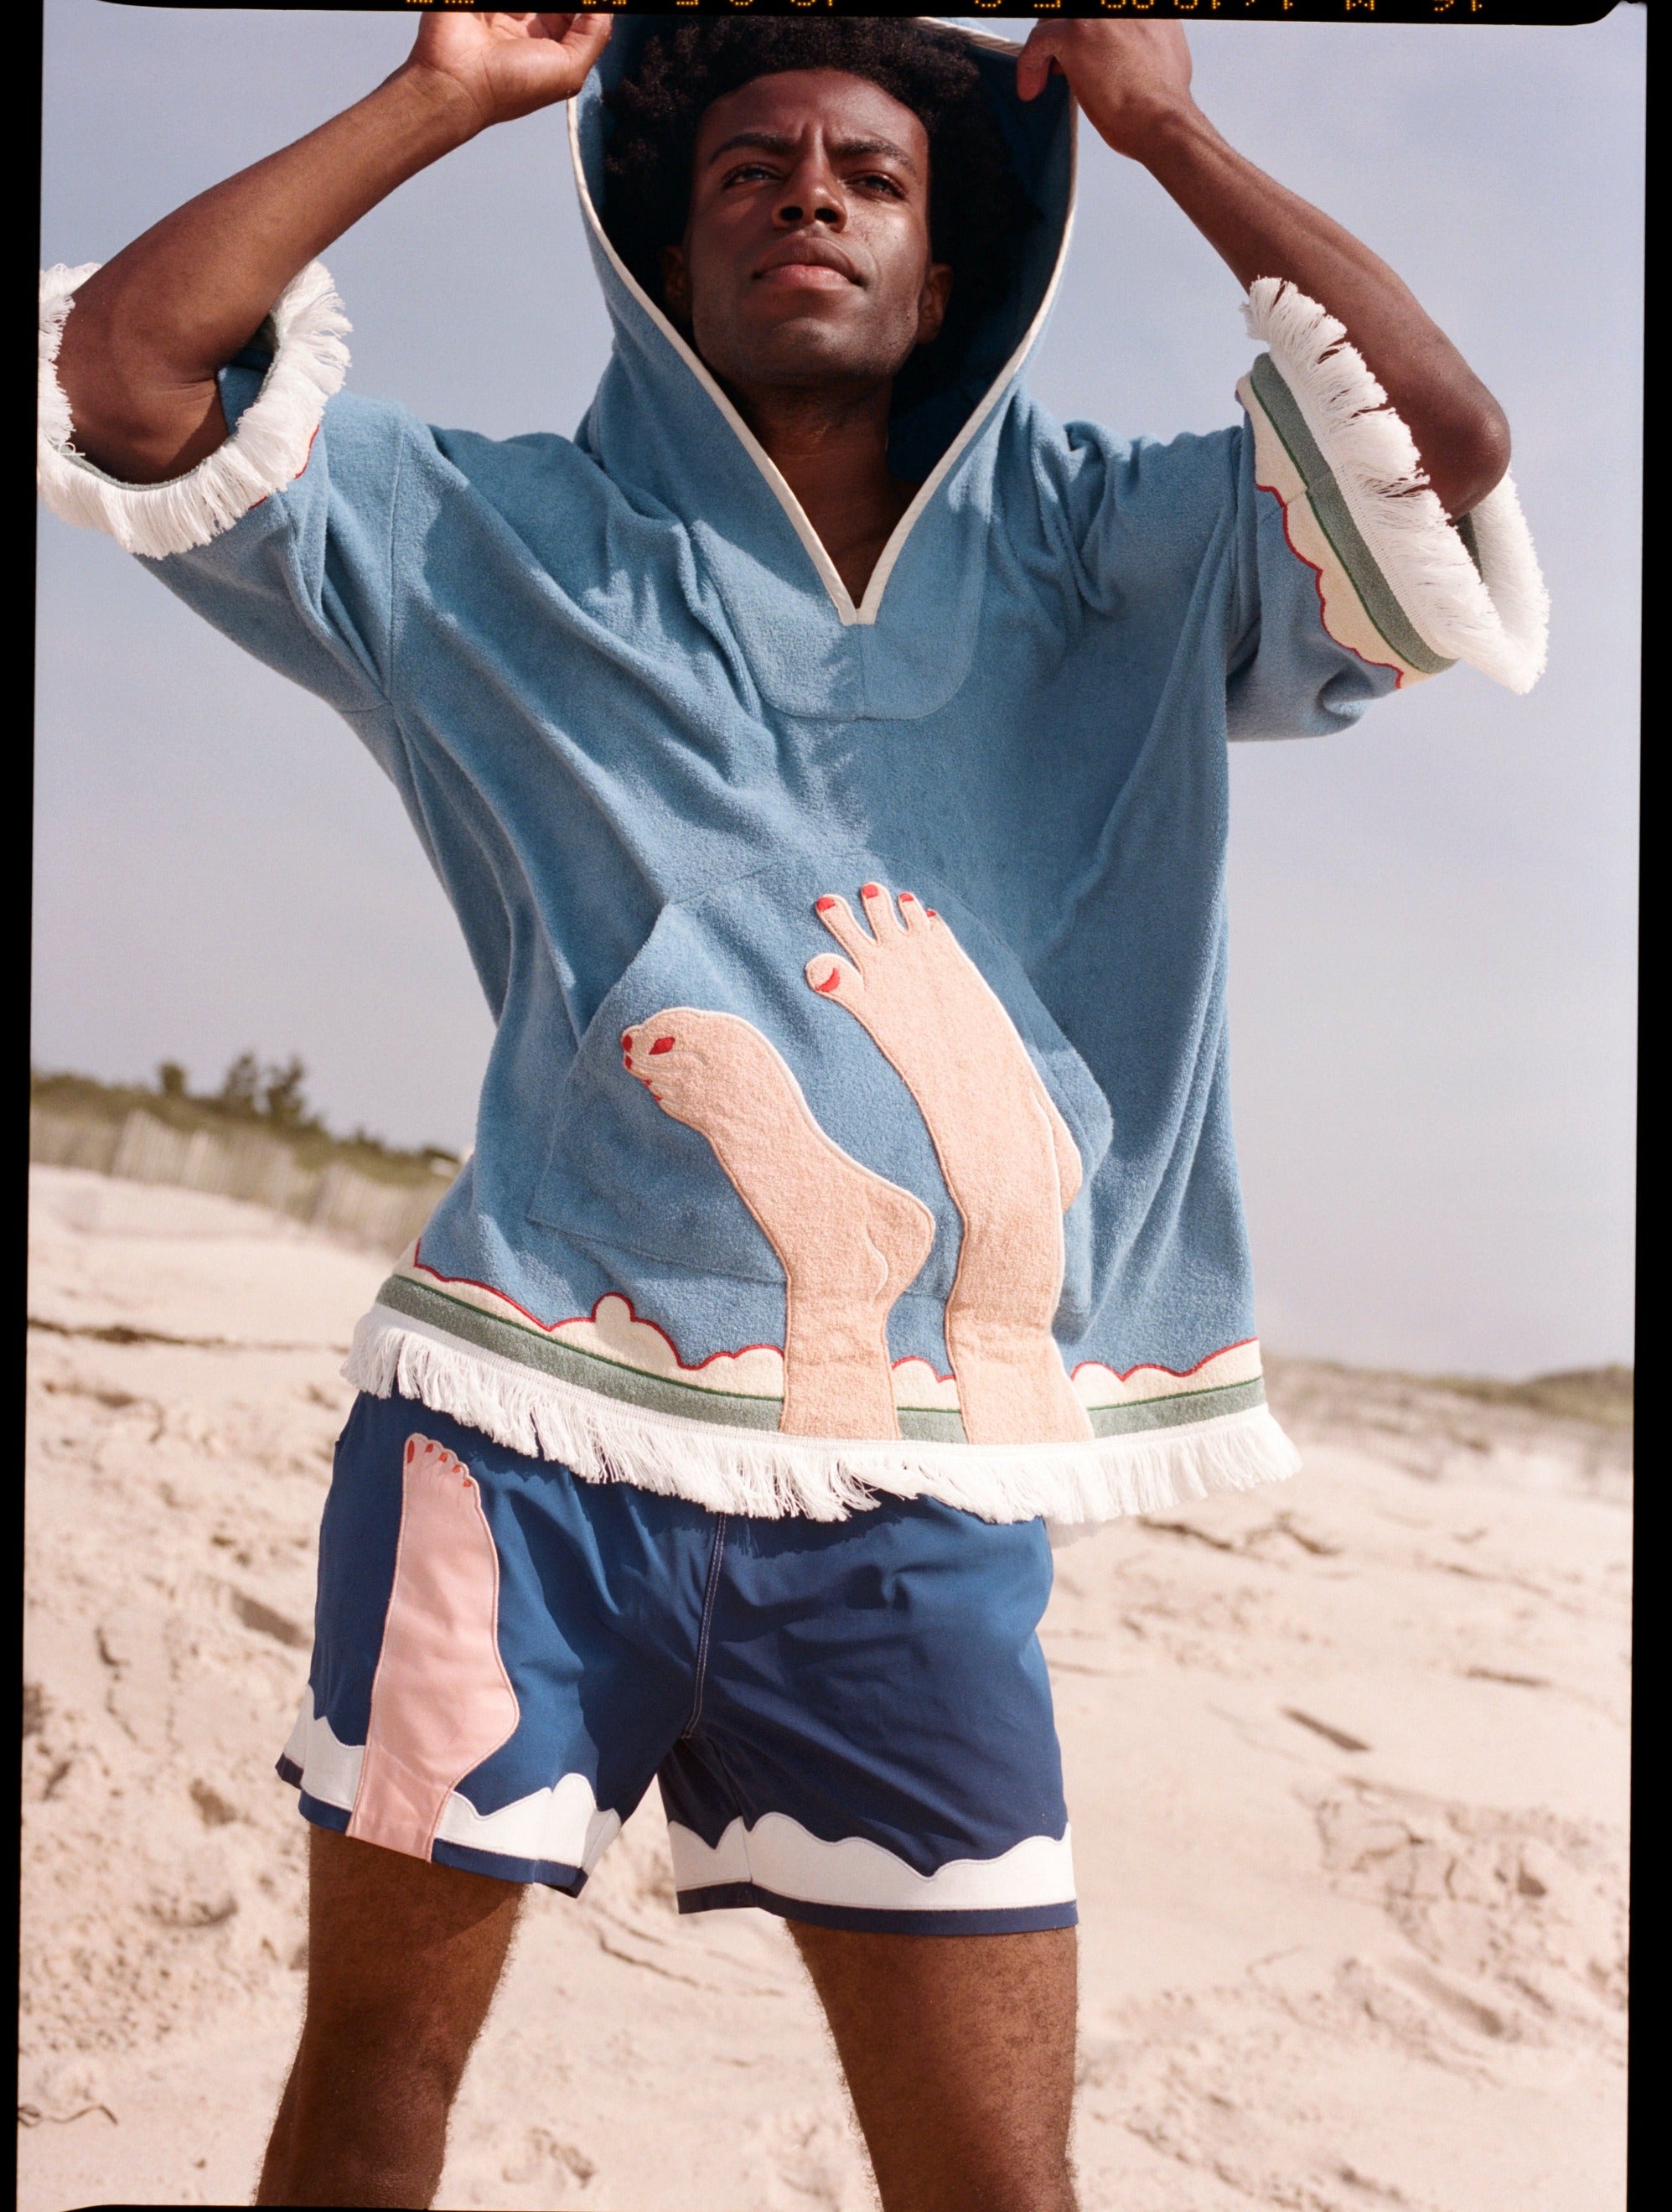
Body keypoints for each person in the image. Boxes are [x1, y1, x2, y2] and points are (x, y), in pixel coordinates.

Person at [38, 14, 1545, 2209]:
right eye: (749, 171)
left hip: (916, 1484)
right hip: (527, 1424)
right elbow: (131, 375)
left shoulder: (1112, 551)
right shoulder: (498, 537)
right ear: (668, 251)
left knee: (993, 2179)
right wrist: (442, 94)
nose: (810, 195)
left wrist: (1163, 128)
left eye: (868, 172)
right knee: (375, 2083)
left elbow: (1447, 449)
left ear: (951, 266)